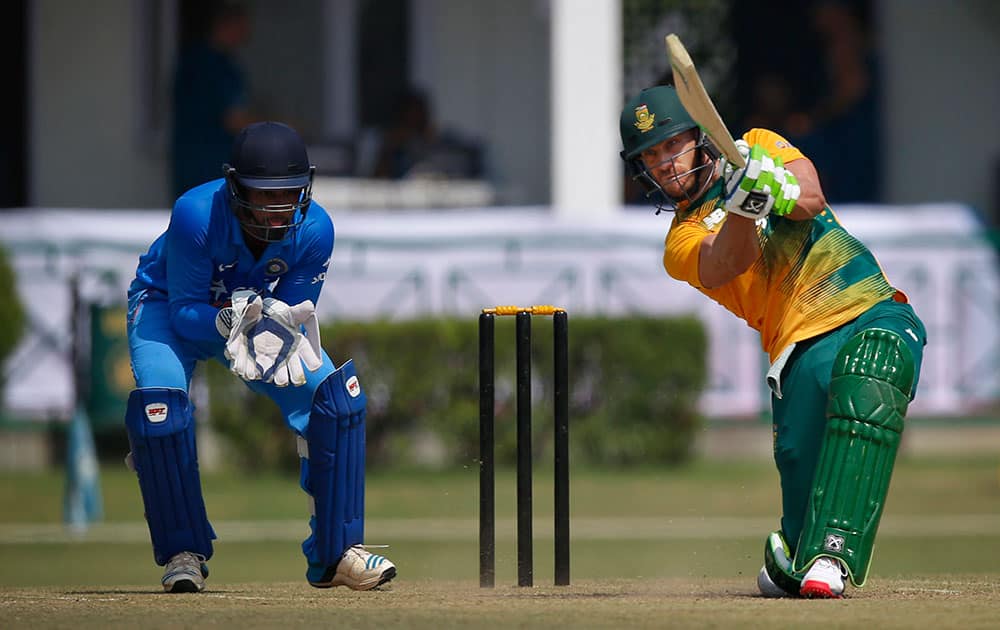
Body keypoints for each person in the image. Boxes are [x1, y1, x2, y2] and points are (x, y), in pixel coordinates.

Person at [619, 85, 926, 599]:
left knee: (875, 367)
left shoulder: (759, 144)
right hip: (797, 349)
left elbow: (811, 199)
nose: (664, 165)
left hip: (871, 308)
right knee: (798, 536)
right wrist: (744, 205)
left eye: (671, 146)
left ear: (698, 138)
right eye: (650, 156)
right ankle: (797, 552)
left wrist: (772, 184)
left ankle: (832, 556)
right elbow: (726, 262)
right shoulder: (680, 241)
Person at [125, 121, 396, 593]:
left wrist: (269, 324)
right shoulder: (195, 213)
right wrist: (229, 322)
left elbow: (290, 314)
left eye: (288, 194)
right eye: (263, 196)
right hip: (170, 309)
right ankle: (182, 553)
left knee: (337, 399)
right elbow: (184, 309)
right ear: (235, 187)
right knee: (160, 411)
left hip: (250, 321)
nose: (276, 209)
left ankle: (338, 553)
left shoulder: (316, 230)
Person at [171, 0, 260, 198]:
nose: (248, 32)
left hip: (214, 165)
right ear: (226, 24)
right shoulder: (206, 64)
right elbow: (234, 119)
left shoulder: (223, 63)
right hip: (204, 166)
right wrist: (278, 129)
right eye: (243, 24)